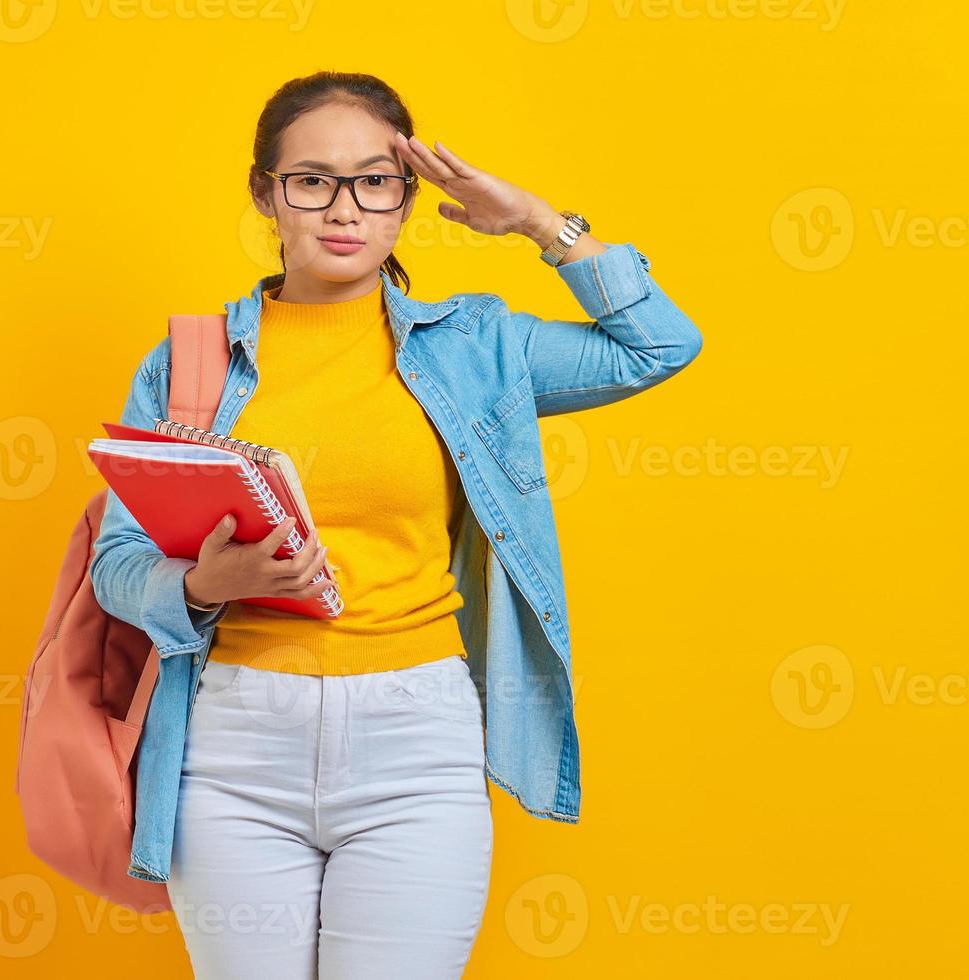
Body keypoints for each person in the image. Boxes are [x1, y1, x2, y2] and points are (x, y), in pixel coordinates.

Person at [91, 70, 703, 979]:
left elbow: (660, 345)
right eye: (312, 182)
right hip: (231, 750)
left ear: (408, 199)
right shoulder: (192, 363)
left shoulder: (477, 347)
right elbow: (116, 563)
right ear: (267, 193)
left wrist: (541, 222)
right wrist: (197, 586)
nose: (345, 210)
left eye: (375, 181)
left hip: (415, 741)